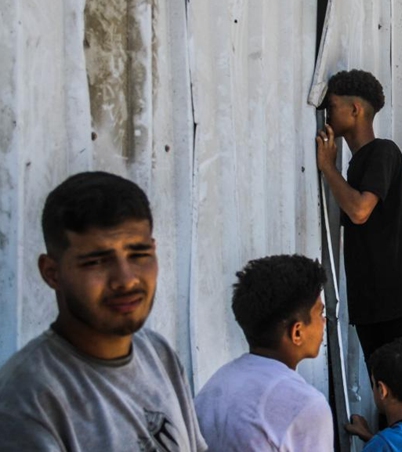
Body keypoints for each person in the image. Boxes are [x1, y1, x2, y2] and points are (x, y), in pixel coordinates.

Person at [0, 171, 206, 451]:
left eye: (138, 254)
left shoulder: (158, 354)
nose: (126, 279)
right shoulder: (28, 397)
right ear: (52, 273)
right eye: (96, 261)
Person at [316, 69, 402, 399]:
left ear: (355, 110)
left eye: (333, 105)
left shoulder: (382, 151)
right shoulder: (356, 164)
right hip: (375, 307)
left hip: (400, 304)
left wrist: (328, 168)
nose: (327, 113)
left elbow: (359, 210)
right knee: (388, 399)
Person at [194, 255, 333, 451]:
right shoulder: (306, 405)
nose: (324, 322)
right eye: (320, 313)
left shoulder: (215, 386)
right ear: (297, 332)